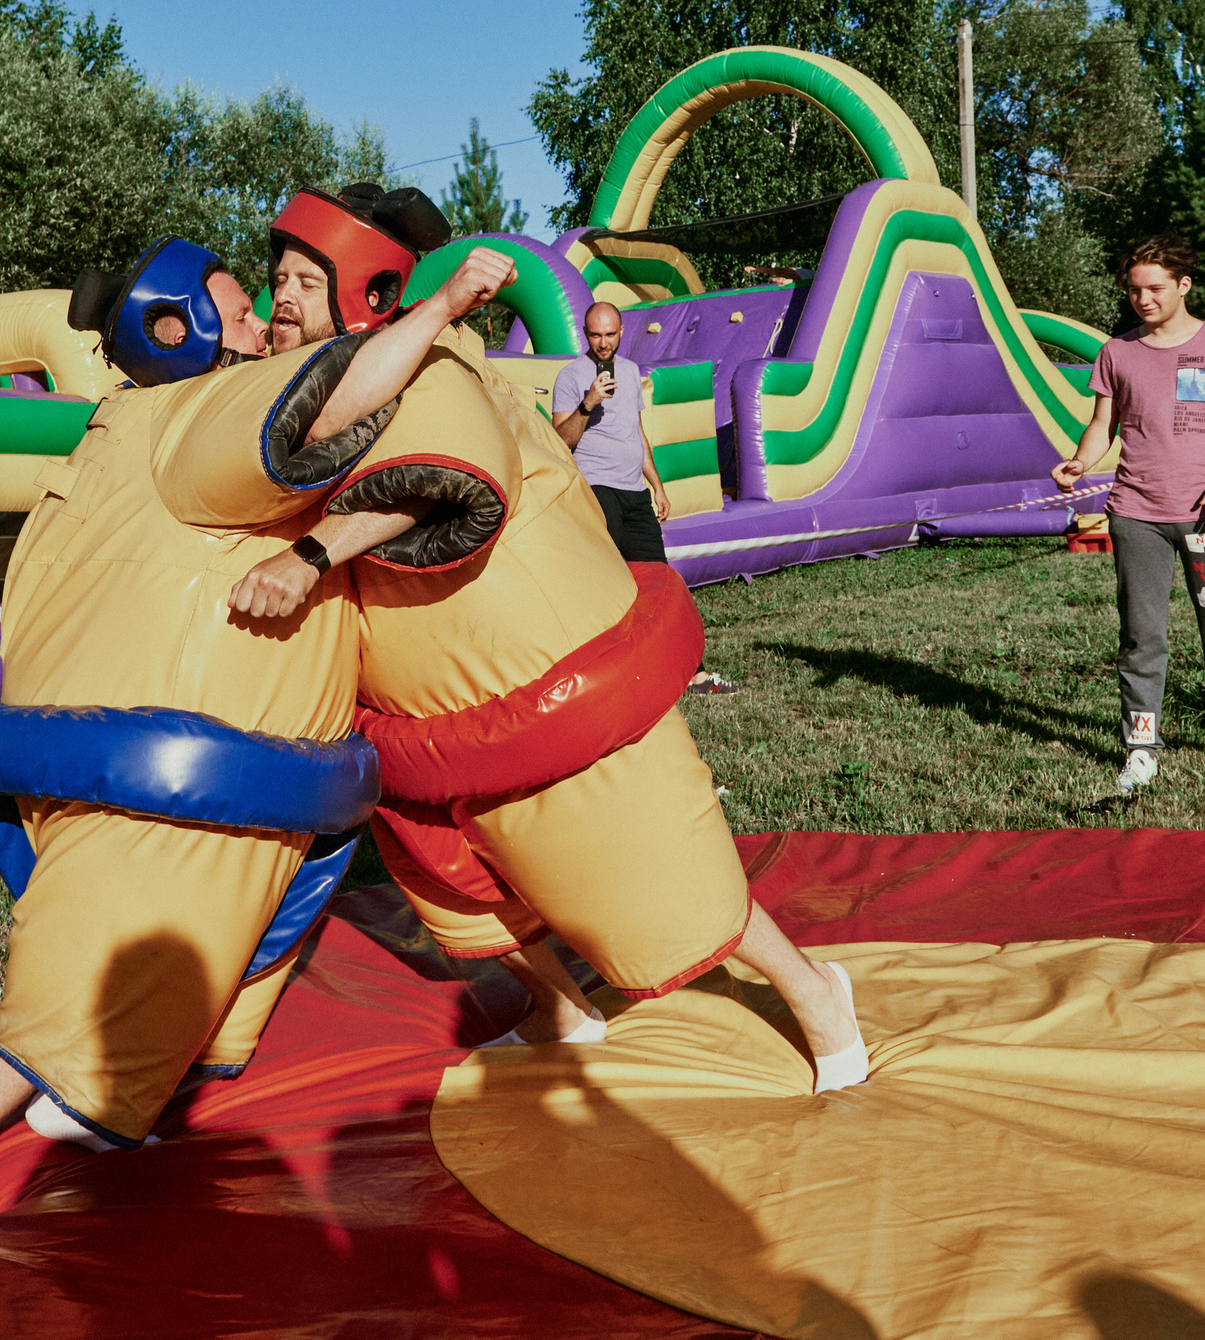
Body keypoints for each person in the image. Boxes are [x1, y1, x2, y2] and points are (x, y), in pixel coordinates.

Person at [0, 237, 510, 1229]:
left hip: (180, 762)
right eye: (241, 301)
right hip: (166, 774)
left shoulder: (124, 423)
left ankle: (109, 1104)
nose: (265, 313)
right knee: (101, 967)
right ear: (175, 326)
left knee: (222, 955)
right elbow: (338, 398)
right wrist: (437, 310)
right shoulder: (200, 414)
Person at [248, 199, 869, 1089]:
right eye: (278, 282)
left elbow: (441, 484)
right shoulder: (294, 380)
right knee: (461, 888)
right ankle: (558, 1004)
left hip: (540, 681)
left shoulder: (436, 369)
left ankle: (814, 992)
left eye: (308, 283)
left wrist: (315, 554)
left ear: (372, 291)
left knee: (647, 852)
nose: (285, 300)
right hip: (421, 717)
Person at [1050, 234, 1205, 796]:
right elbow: (1102, 424)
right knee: (1141, 636)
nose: (1143, 299)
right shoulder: (1117, 352)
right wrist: (1080, 462)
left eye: (1154, 288)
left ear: (1183, 285)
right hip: (1137, 516)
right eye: (1133, 289)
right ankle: (1140, 747)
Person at [552, 299, 735, 696]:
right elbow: (559, 442)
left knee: (659, 583)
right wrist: (588, 403)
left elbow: (637, 433)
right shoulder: (570, 377)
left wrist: (657, 483)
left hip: (635, 493)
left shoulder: (632, 372)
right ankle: (601, 679)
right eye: (595, 335)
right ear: (586, 334)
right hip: (597, 490)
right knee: (604, 584)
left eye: (610, 334)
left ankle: (692, 673)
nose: (603, 343)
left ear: (621, 332)